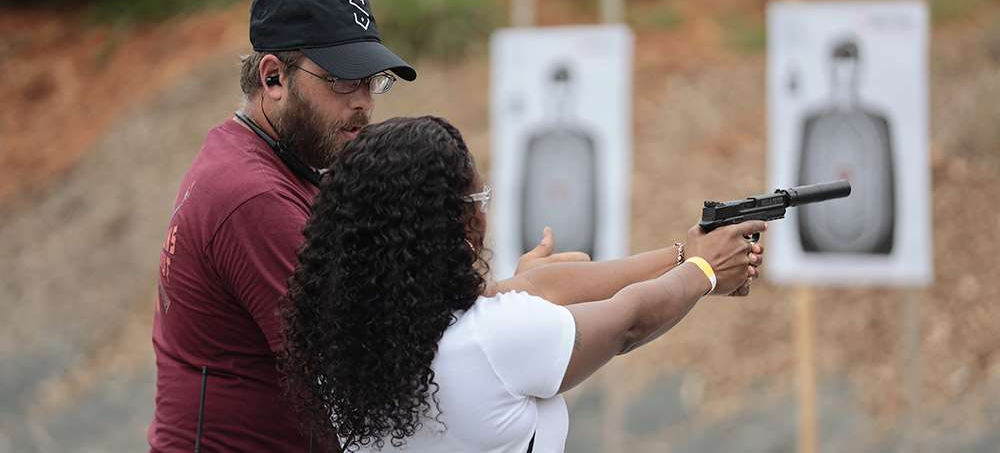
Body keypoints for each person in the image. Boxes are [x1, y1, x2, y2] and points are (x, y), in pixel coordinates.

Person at [148, 0, 586, 451]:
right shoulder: (253, 196)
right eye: (340, 79)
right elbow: (372, 352)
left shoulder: (268, 162)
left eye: (371, 80)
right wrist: (511, 297)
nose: (363, 101)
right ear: (273, 77)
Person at [279, 116, 766, 453]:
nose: (482, 210)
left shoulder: (345, 342)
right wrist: (702, 273)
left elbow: (530, 293)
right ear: (450, 219)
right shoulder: (494, 337)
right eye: (477, 196)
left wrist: (680, 254)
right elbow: (628, 322)